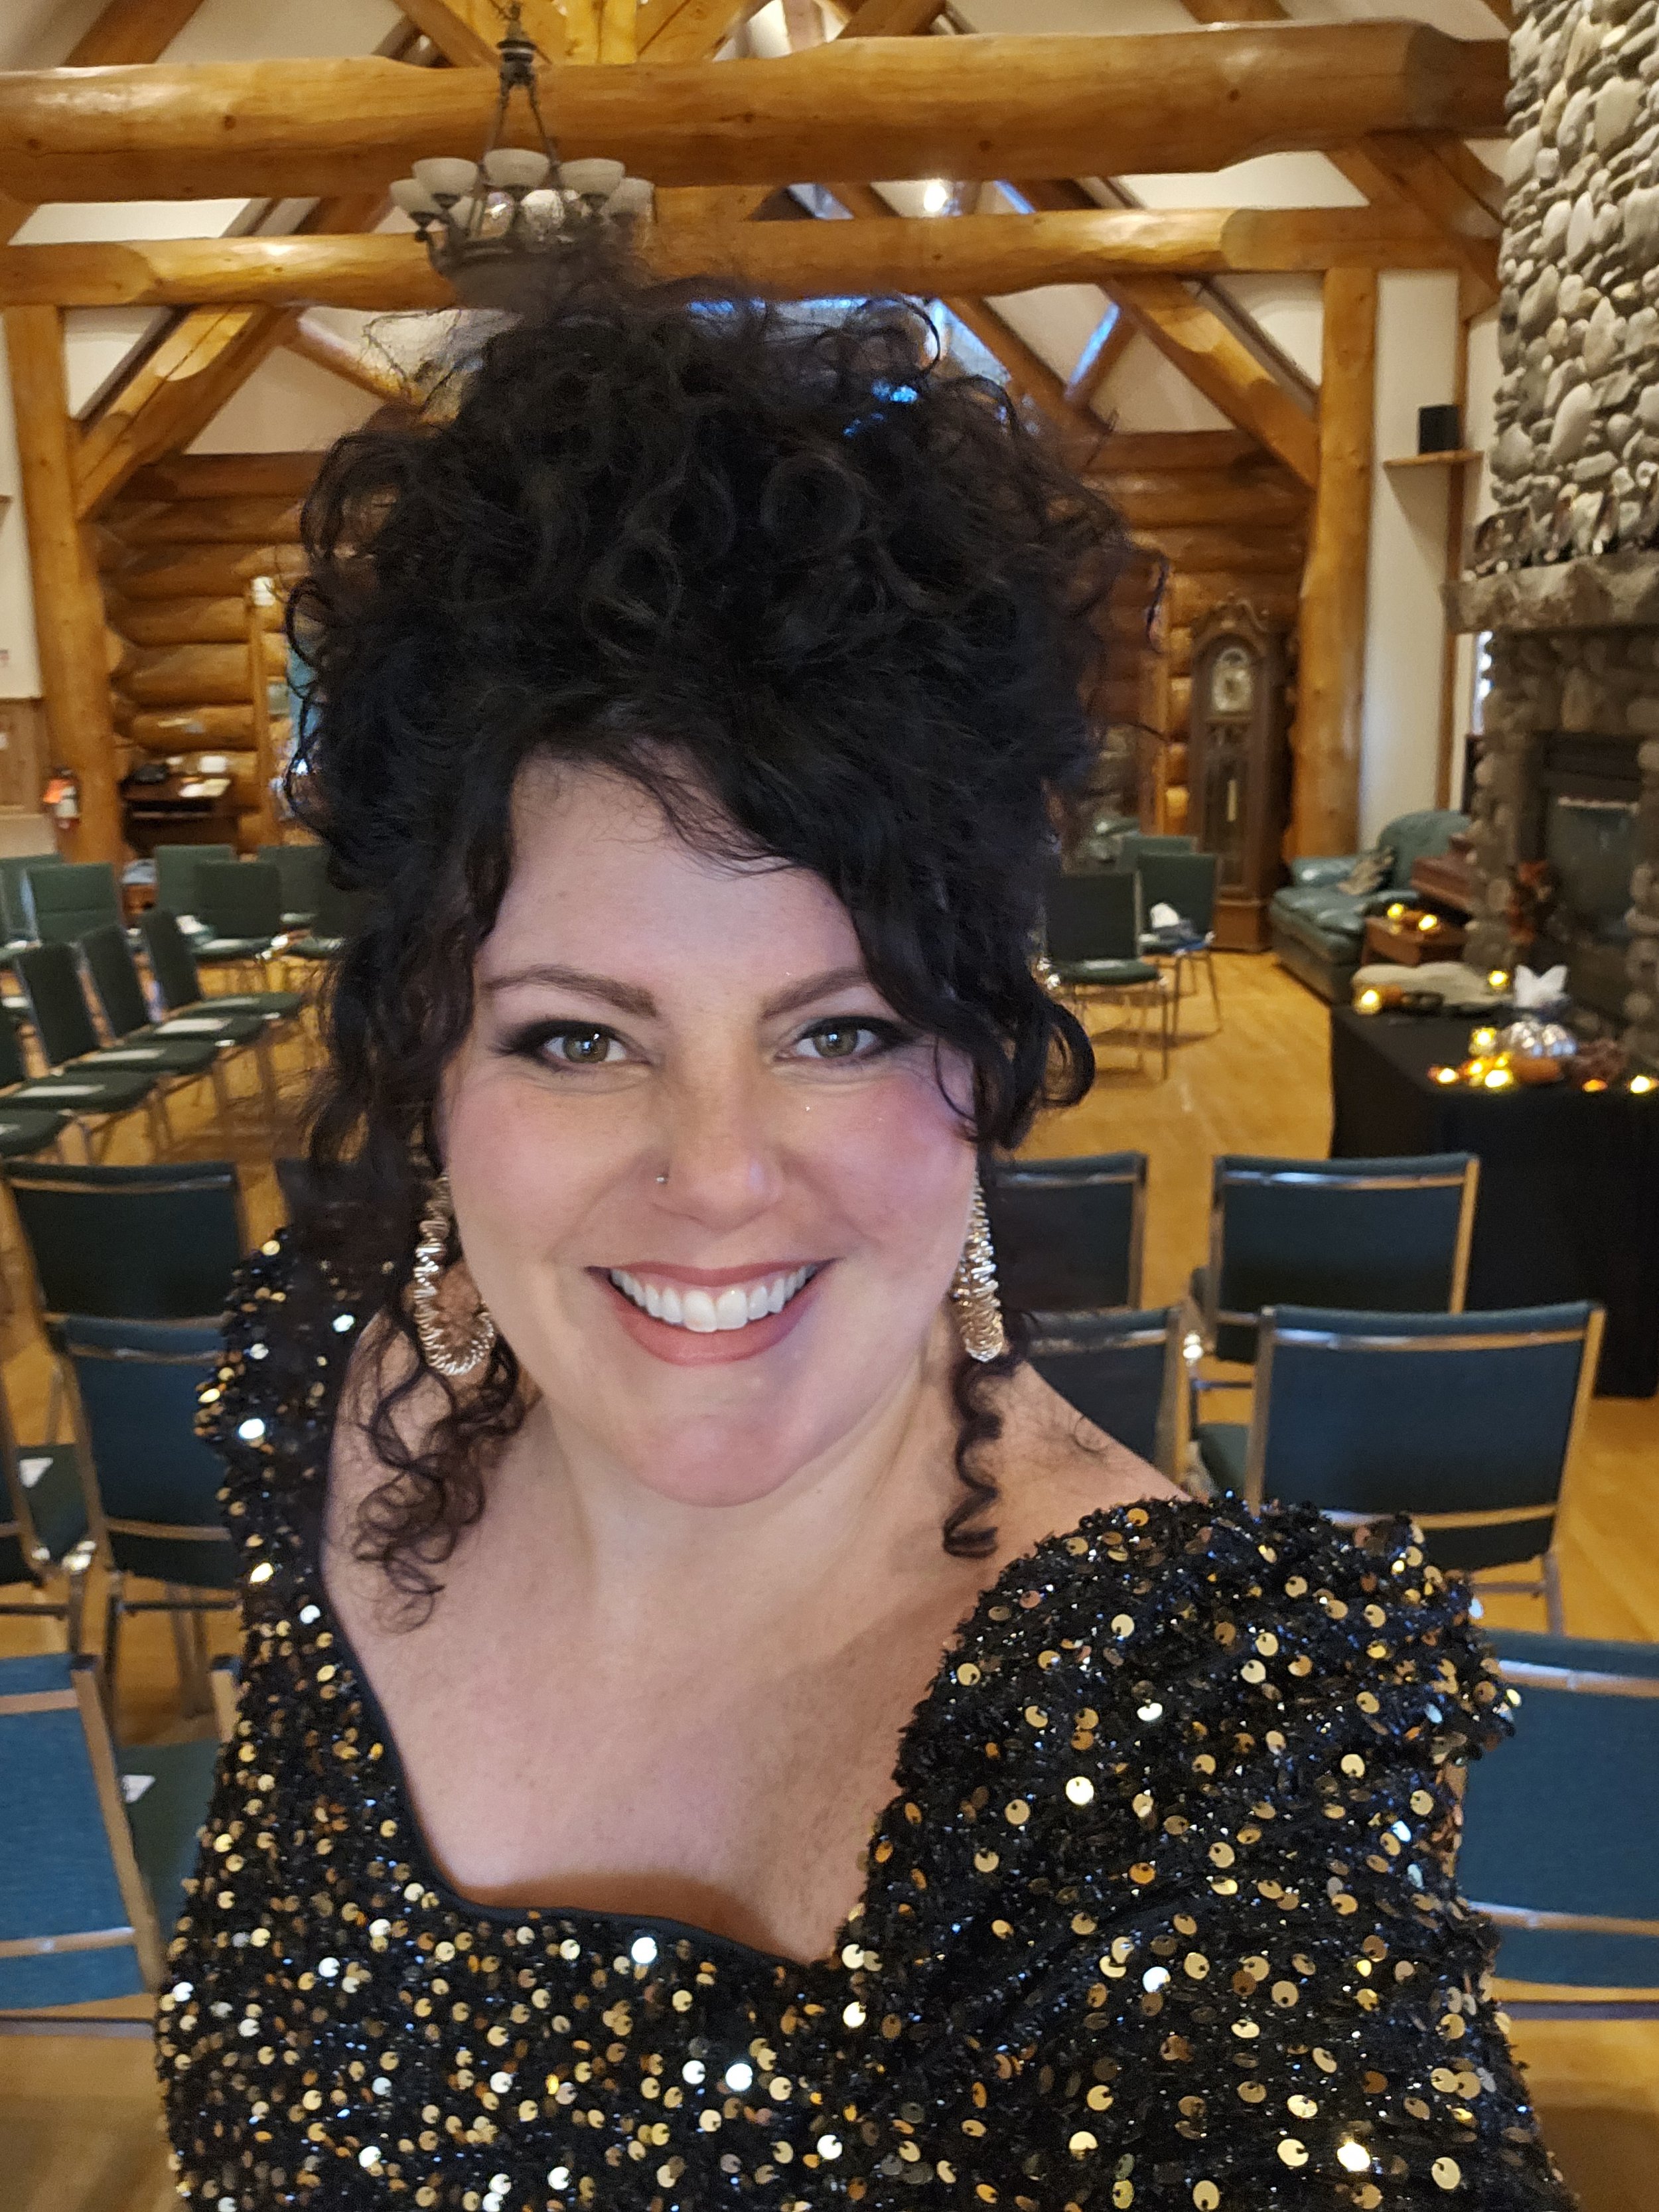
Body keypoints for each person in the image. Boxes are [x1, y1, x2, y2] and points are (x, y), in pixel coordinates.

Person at [167, 259, 1571, 2211]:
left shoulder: (1185, 1737)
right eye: (577, 1037)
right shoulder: (328, 1406)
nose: (721, 1173)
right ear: (427, 1061)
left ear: (984, 1062)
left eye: (841, 1030)